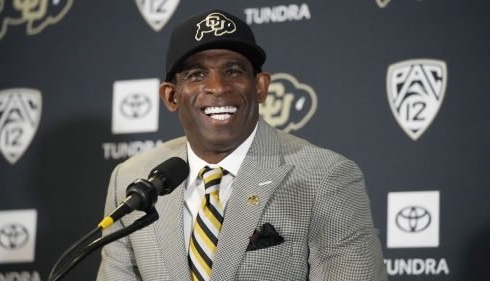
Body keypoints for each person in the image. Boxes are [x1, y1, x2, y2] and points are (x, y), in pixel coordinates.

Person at [97, 9, 387, 281]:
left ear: (260, 87)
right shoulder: (132, 180)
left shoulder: (326, 177)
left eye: (233, 71)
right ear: (171, 97)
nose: (218, 87)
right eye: (197, 74)